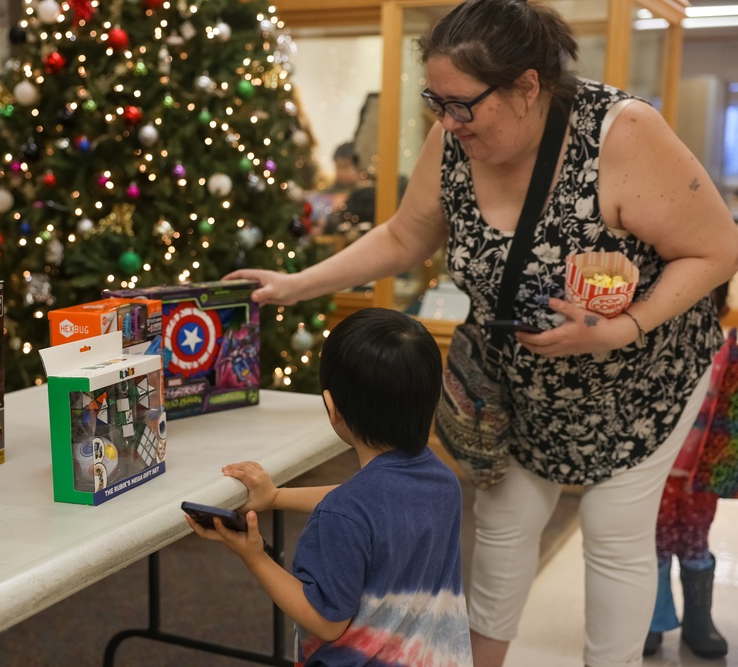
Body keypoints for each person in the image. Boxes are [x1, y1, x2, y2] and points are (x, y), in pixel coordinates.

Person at [226, 1, 738, 665]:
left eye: (462, 103)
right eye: (435, 101)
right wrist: (295, 283)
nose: (447, 120)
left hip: (635, 381)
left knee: (614, 532)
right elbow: (407, 234)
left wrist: (623, 328)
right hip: (516, 380)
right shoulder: (455, 138)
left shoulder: (622, 132)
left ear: (528, 86)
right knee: (503, 523)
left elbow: (718, 248)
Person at [185, 308, 473, 666]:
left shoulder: (346, 513)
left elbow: (325, 620)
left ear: (331, 407)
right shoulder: (444, 483)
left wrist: (255, 556)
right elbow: (373, 505)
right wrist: (275, 497)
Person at [644, 282, 731, 659]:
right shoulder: (657, 345)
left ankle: (699, 620)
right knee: (656, 543)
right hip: (657, 468)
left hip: (702, 472)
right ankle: (652, 619)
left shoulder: (728, 352)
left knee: (695, 541)